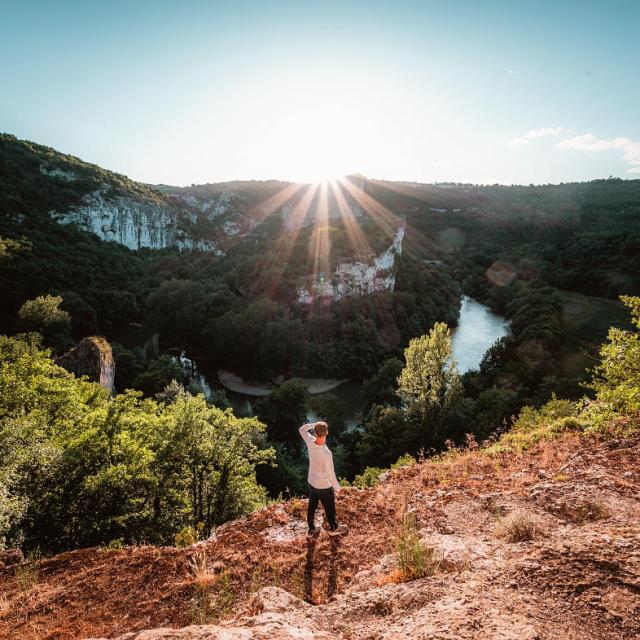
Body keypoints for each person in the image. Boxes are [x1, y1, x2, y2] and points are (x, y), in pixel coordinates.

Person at [299, 421, 348, 539]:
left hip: (312, 482)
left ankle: (311, 530)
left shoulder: (310, 442)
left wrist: (314, 424)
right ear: (327, 433)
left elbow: (302, 429)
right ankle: (334, 528)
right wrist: (338, 489)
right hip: (324, 487)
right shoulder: (326, 453)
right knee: (330, 508)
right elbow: (331, 475)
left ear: (315, 433)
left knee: (312, 506)